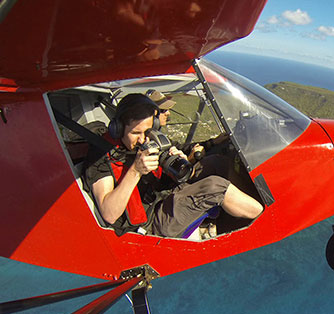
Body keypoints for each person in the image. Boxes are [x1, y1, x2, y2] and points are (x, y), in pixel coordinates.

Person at [85, 93, 263, 237]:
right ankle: (264, 220)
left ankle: (227, 224)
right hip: (152, 221)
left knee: (216, 162)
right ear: (118, 128)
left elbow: (176, 153)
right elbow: (109, 213)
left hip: (164, 196)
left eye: (147, 131)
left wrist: (194, 151)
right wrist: (136, 171)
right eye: (135, 132)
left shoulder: (147, 140)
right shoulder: (102, 157)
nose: (142, 139)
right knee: (216, 186)